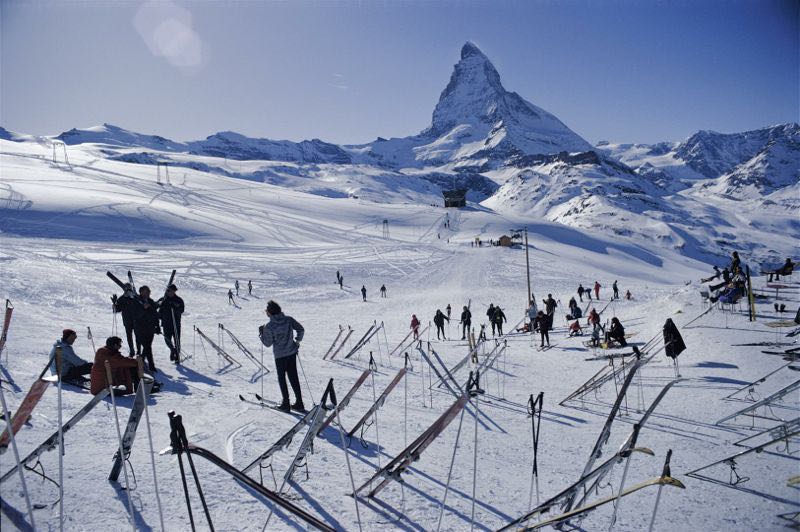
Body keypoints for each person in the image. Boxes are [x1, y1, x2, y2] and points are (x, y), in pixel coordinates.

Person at [259, 300, 305, 412]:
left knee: (282, 378)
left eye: (266, 311)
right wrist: (297, 341)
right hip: (292, 352)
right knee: (293, 377)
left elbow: (267, 344)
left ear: (270, 313)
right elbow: (301, 329)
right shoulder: (288, 320)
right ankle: (299, 402)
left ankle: (286, 403)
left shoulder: (270, 326)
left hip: (280, 356)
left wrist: (261, 333)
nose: (266, 312)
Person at [133, 285, 160, 373]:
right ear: (141, 292)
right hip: (140, 328)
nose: (148, 293)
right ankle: (151, 365)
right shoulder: (136, 301)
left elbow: (155, 315)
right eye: (146, 291)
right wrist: (144, 309)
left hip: (150, 328)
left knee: (147, 347)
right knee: (147, 347)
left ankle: (140, 363)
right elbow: (135, 315)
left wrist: (157, 326)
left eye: (149, 291)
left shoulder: (151, 302)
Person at [158, 284, 184, 364]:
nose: (170, 292)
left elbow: (181, 310)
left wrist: (175, 307)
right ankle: (172, 350)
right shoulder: (163, 299)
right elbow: (159, 310)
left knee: (177, 340)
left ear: (174, 291)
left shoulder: (179, 300)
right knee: (167, 339)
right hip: (166, 323)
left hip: (175, 323)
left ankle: (177, 356)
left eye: (171, 291)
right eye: (168, 290)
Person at [112, 283, 139, 356]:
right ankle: (132, 350)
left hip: (136, 320)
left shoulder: (135, 298)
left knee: (138, 337)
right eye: (127, 289)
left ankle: (139, 351)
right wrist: (114, 303)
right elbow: (116, 310)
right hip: (127, 321)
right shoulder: (121, 299)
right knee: (129, 337)